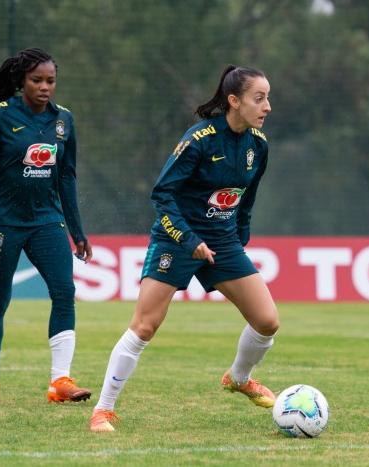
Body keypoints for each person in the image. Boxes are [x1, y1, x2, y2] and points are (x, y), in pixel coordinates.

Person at [89, 65, 277, 433]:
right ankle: (103, 410)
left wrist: (239, 239)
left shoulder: (259, 145)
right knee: (144, 327)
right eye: (260, 98)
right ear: (234, 101)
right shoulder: (200, 140)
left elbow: (246, 200)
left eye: (269, 97)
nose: (268, 106)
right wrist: (190, 241)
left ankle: (238, 378)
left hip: (222, 242)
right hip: (178, 240)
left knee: (267, 321)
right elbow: (162, 194)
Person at [0, 47, 93, 403]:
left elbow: (67, 178)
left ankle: (60, 382)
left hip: (47, 222)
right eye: (37, 80)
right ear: (22, 81)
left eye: (50, 81)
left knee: (64, 292)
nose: (45, 87)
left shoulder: (63, 121)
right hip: (3, 225)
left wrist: (77, 231)